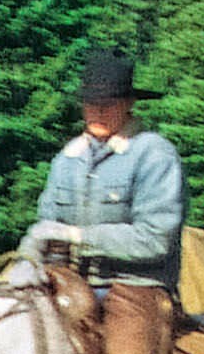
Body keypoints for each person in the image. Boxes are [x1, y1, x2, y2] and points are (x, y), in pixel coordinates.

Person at [20, 48, 182, 289]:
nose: (99, 112)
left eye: (109, 104)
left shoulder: (154, 154)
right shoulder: (67, 158)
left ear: (129, 103)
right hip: (69, 282)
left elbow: (156, 239)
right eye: (91, 104)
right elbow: (48, 223)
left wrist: (79, 237)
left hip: (135, 286)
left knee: (127, 326)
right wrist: (29, 255)